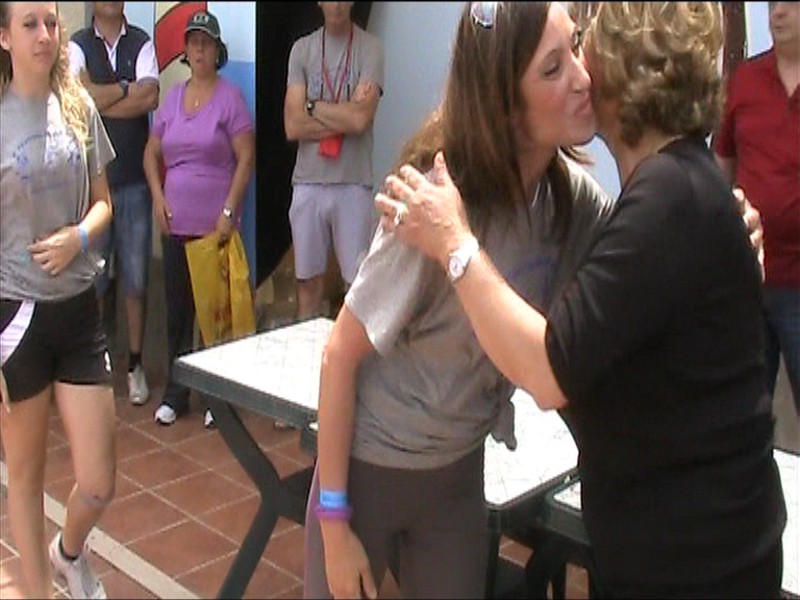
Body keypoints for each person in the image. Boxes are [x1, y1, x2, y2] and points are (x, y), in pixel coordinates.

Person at [377, 2, 787, 597]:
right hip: (691, 546)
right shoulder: (671, 192)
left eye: (581, 51)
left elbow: (549, 370)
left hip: (696, 564)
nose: (578, 75)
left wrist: (455, 244)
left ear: (621, 80)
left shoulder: (666, 199)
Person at [304, 3, 620, 598]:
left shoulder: (571, 202)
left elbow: (646, 245)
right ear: (505, 104)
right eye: (553, 68)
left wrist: (721, 218)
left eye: (577, 46)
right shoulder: (434, 205)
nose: (584, 77)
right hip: (368, 467)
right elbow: (339, 355)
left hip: (456, 475)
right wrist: (334, 526)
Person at [0, 2, 117, 598]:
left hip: (78, 310)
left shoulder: (77, 105)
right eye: (29, 24)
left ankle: (68, 552)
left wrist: (80, 237)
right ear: (4, 37)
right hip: (16, 315)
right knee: (26, 476)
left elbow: (104, 203)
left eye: (50, 23)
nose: (44, 35)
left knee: (98, 481)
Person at [142, 9, 255, 428]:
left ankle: (217, 399)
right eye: (193, 43)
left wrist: (228, 211)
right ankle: (176, 394)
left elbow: (246, 156)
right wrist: (157, 197)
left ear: (216, 50)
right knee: (178, 314)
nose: (199, 50)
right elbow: (151, 153)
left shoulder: (229, 98)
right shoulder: (172, 99)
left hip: (214, 231)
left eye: (206, 43)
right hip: (174, 226)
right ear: (186, 51)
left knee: (214, 318)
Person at [68, 1, 160, 407]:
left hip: (135, 183)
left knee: (137, 280)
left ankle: (135, 365)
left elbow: (150, 97)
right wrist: (126, 88)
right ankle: (96, 360)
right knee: (94, 281)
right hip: (91, 188)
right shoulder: (76, 45)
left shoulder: (141, 42)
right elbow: (77, 100)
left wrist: (101, 98)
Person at [714, 1, 799, 412]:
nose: (776, 12)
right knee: (745, 412)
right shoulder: (745, 81)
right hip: (750, 282)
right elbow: (721, 167)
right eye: (771, 3)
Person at [284, 0, 384, 320]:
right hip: (308, 183)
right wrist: (344, 114)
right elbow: (292, 126)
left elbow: (360, 120)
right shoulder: (302, 50)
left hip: (352, 183)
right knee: (308, 285)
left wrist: (312, 106)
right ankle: (308, 349)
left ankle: (348, 352)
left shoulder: (370, 49)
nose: (337, 5)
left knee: (356, 289)